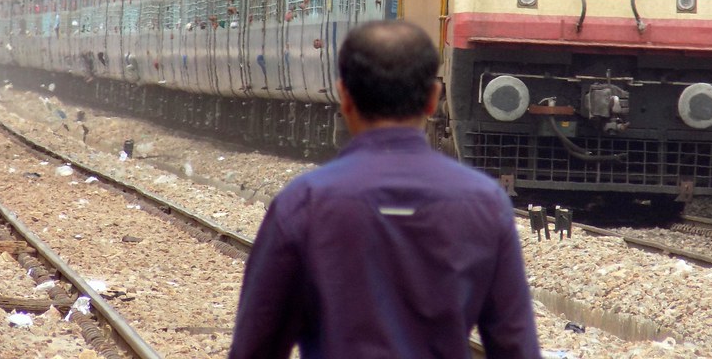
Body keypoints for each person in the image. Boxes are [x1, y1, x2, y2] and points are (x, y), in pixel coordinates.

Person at [227, 20, 541, 359]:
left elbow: (255, 347)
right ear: (433, 99)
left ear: (344, 96)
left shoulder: (303, 202)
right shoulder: (485, 203)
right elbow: (515, 347)